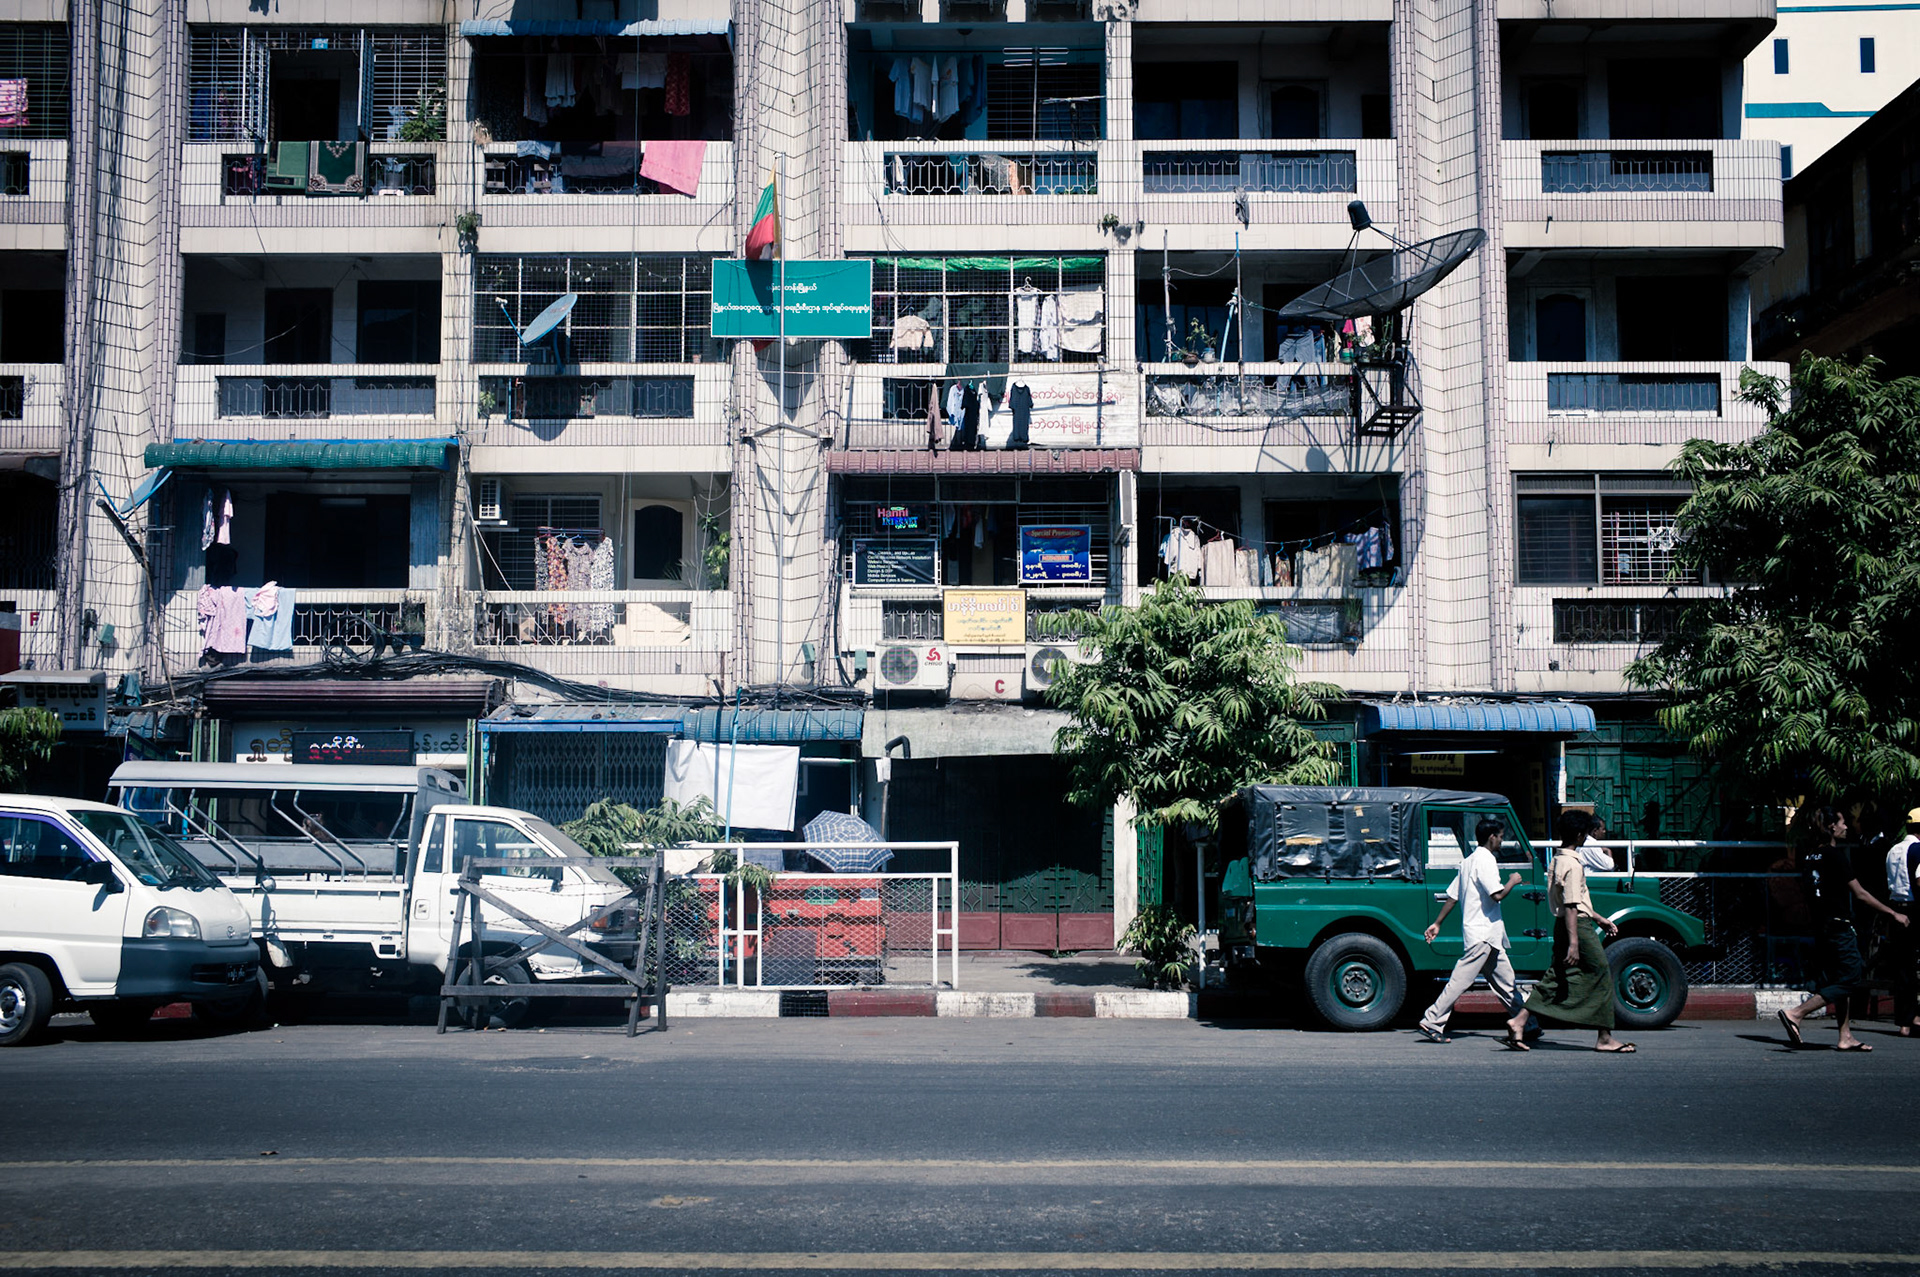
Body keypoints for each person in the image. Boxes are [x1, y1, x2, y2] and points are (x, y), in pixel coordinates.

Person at [1779, 807, 1909, 1051]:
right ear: (1831, 827)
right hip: (1838, 926)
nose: (1846, 827)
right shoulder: (1834, 855)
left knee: (1839, 977)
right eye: (1842, 823)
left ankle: (1845, 1035)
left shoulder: (1810, 856)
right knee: (1851, 978)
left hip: (1820, 927)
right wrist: (1893, 913)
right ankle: (1796, 1013)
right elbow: (1860, 894)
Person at [1509, 810, 1634, 1053]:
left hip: (1566, 924)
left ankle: (1519, 1020)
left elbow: (1573, 902)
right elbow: (1571, 905)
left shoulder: (1558, 859)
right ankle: (1605, 1037)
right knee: (1600, 972)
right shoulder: (1573, 865)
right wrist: (1575, 943)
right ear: (1579, 835)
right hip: (1576, 927)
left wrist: (1599, 919)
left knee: (1557, 975)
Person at [1417, 817, 1526, 1044]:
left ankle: (1528, 1025)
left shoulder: (1468, 861)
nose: (1502, 841)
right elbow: (1496, 895)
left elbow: (1452, 896)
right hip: (1483, 934)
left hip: (1488, 936)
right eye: (1501, 837)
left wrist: (1437, 923)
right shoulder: (1486, 860)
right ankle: (1431, 1020)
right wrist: (1513, 881)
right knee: (1460, 980)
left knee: (1507, 985)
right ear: (1491, 837)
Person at [1881, 808, 1920, 1036]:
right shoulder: (1918, 850)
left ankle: (1905, 1021)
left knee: (1903, 969)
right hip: (1914, 910)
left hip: (1895, 910)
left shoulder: (1893, 850)